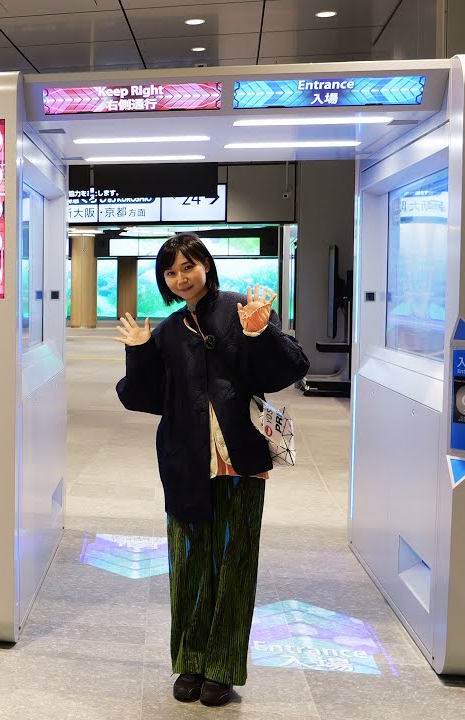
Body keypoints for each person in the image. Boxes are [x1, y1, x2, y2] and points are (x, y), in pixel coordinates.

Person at [114, 233, 309, 707]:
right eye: (171, 272)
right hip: (186, 462)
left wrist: (262, 334)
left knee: (235, 566)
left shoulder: (244, 309)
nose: (180, 279)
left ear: (206, 265)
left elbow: (289, 369)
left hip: (240, 460)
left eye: (188, 267)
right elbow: (140, 398)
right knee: (189, 567)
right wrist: (139, 351)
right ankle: (190, 661)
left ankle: (221, 668)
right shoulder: (166, 331)